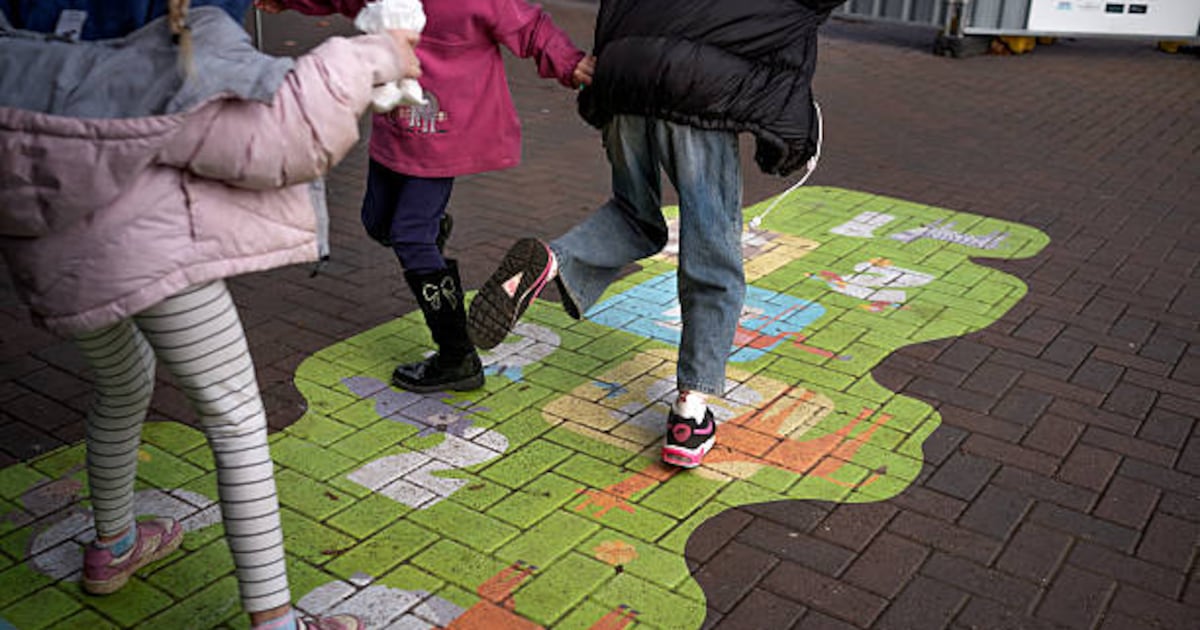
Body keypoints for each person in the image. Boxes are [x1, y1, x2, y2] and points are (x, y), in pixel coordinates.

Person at [0, 1, 420, 629]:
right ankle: (276, 622)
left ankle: (113, 545)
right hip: (147, 246)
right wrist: (382, 53)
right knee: (235, 416)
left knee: (123, 383)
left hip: (52, 259)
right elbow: (283, 137)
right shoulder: (161, 33)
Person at [467, 0, 845, 469]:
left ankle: (555, 260)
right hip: (699, 89)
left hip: (625, 77)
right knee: (713, 253)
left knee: (633, 215)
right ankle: (690, 413)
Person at [256, 0, 594, 393]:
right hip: (396, 124)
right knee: (377, 222)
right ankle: (428, 237)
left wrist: (569, 62)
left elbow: (528, 25)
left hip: (445, 130)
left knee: (410, 235)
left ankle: (457, 356)